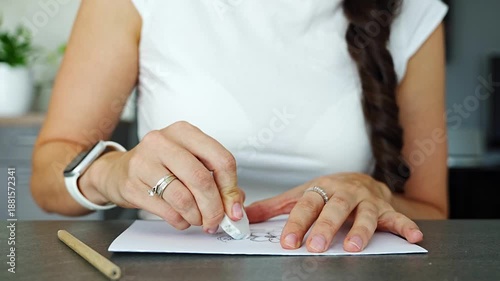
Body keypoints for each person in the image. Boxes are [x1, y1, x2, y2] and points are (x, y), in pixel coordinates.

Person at [31, 0, 448, 253]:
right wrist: (109, 173)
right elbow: (46, 176)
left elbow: (433, 215)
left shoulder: (414, 13)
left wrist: (375, 195)